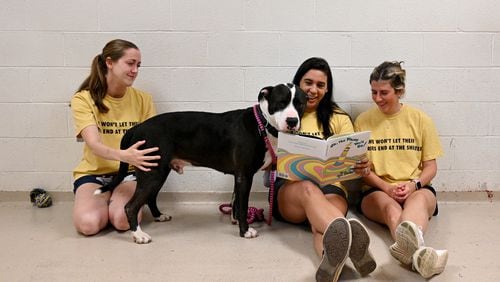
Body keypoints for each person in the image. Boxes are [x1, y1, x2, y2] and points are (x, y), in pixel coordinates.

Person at [269, 57, 376, 282]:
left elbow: (356, 157)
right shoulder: (282, 114)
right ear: (298, 83)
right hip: (292, 192)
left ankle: (330, 265)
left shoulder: (339, 118)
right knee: (309, 190)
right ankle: (356, 245)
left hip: (331, 189)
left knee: (330, 225)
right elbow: (263, 158)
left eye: (320, 85)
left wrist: (363, 164)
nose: (313, 90)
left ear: (327, 89)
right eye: (308, 83)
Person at [354, 61, 448, 278]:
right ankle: (422, 256)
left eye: (384, 92)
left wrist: (413, 185)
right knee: (391, 210)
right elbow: (363, 173)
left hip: (417, 187)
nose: (377, 98)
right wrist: (386, 187)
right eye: (373, 92)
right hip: (376, 191)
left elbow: (431, 167)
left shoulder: (421, 120)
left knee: (418, 203)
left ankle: (414, 255)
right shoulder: (362, 121)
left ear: (400, 91)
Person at [70, 39, 160, 236]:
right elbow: (94, 144)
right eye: (130, 63)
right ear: (109, 63)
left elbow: (154, 142)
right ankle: (104, 199)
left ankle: (116, 201)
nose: (135, 70)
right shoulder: (83, 99)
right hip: (94, 174)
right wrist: (125, 155)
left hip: (130, 173)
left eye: (138, 65)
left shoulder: (144, 99)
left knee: (121, 220)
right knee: (88, 224)